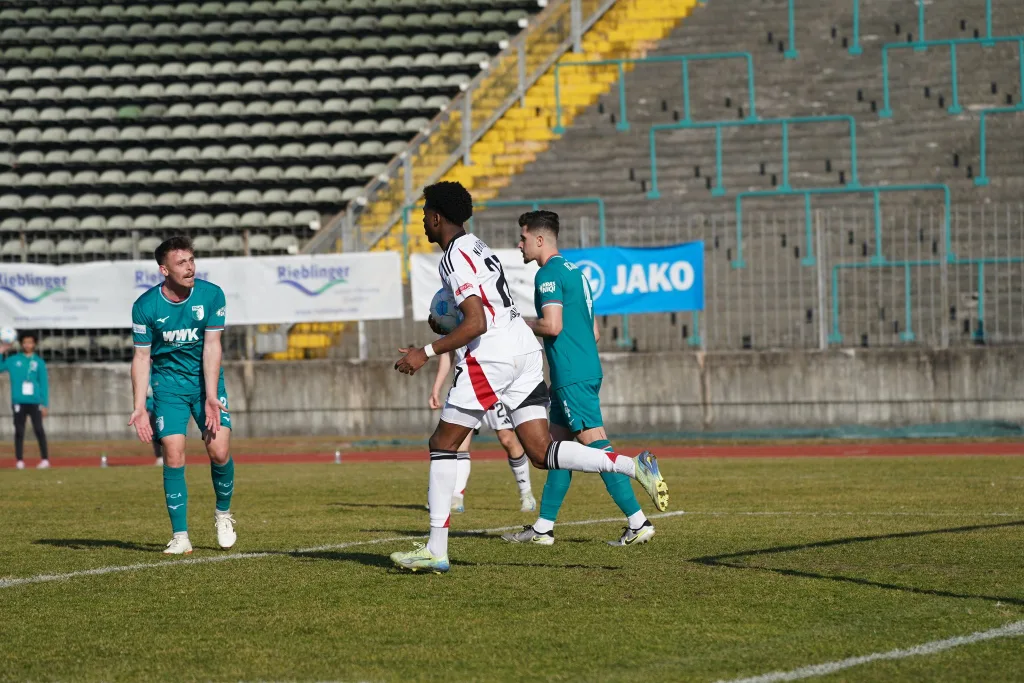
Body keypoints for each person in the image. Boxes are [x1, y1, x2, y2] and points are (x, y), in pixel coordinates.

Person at [391, 181, 668, 573]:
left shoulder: (453, 257)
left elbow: (476, 322)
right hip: (525, 351)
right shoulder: (478, 246)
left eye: (423, 216)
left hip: (493, 355)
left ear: (437, 217)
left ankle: (436, 549)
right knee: (541, 453)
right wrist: (445, 323)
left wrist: (426, 352)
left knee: (443, 443)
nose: (422, 222)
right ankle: (630, 465)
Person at [504, 211, 655, 547]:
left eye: (524, 238)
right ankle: (543, 528)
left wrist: (521, 324)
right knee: (557, 451)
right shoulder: (578, 273)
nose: (520, 245)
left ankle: (638, 520)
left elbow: (552, 326)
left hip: (570, 376)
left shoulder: (547, 275)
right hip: (578, 371)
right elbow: (594, 331)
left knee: (596, 448)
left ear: (540, 240)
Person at [128, 236, 236, 555]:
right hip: (168, 387)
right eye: (181, 263)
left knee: (218, 451)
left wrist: (212, 395)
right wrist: (137, 406)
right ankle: (180, 536)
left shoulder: (212, 295)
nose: (189, 268)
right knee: (173, 453)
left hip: (206, 384)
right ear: (164, 270)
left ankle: (223, 515)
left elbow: (213, 347)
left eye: (191, 260)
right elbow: (141, 358)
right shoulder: (145, 306)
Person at [429, 350, 536, 513]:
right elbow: (446, 354)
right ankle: (456, 497)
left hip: (492, 384)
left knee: (507, 439)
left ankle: (526, 493)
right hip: (465, 387)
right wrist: (436, 388)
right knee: (459, 442)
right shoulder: (450, 325)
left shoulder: (485, 324)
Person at [0, 331, 50, 470]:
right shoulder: (13, 360)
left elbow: (44, 384)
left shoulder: (38, 362)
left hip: (35, 402)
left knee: (39, 429)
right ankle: (19, 460)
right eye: (25, 342)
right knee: (19, 430)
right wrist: (1, 350)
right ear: (21, 344)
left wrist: (45, 404)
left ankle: (45, 459)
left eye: (30, 342)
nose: (28, 345)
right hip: (18, 401)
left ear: (34, 344)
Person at [146, 384, 164, 466]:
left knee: (166, 433)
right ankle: (159, 456)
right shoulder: (147, 376)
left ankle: (167, 455)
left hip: (164, 408)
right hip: (152, 409)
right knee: (155, 433)